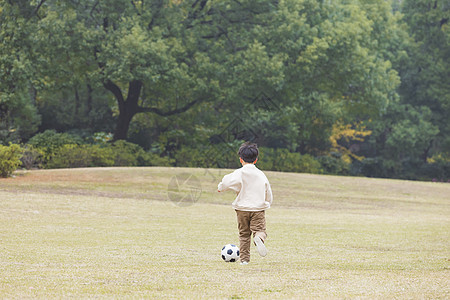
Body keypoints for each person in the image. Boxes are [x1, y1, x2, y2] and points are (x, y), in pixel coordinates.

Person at [217, 142, 273, 265]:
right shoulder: (261, 174)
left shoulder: (238, 173)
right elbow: (267, 190)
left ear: (241, 159)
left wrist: (221, 187)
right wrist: (268, 202)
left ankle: (244, 260)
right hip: (258, 209)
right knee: (260, 230)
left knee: (244, 234)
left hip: (241, 209)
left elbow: (226, 182)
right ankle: (259, 238)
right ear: (256, 159)